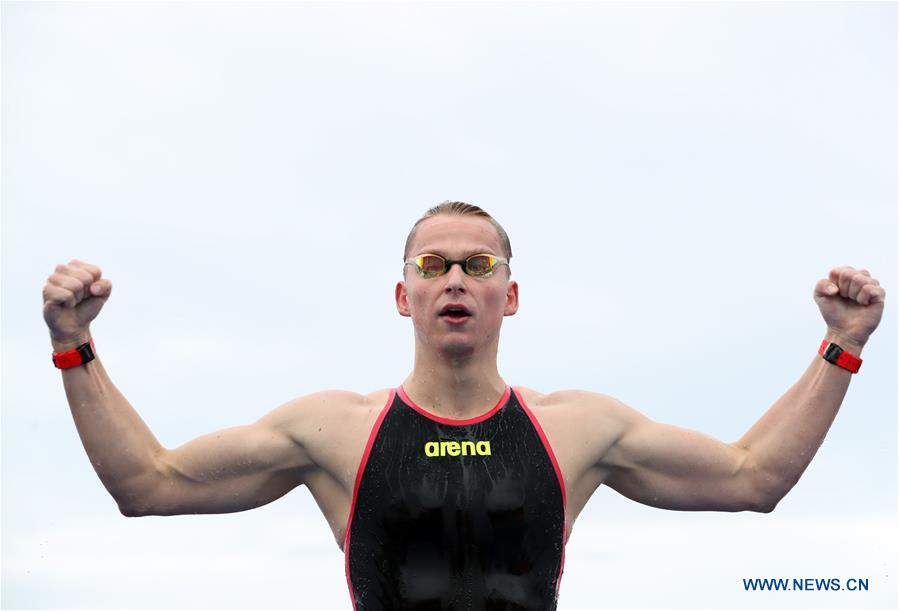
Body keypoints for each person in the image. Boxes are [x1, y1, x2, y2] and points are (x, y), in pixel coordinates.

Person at [42, 201, 886, 610]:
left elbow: (753, 476)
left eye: (477, 267)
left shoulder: (575, 428)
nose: (454, 278)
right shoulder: (335, 429)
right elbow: (146, 484)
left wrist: (842, 344)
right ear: (401, 293)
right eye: (433, 264)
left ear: (509, 296)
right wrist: (74, 345)